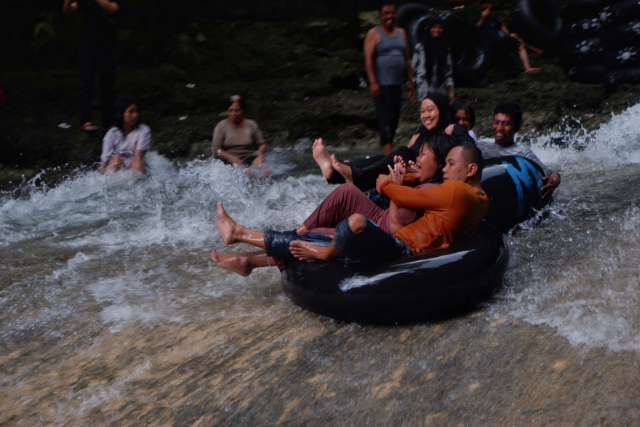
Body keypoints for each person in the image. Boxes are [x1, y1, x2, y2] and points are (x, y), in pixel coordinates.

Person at [211, 145, 488, 276]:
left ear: (471, 169)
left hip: (401, 248)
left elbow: (399, 194)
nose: (445, 170)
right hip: (400, 243)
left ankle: (241, 235)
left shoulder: (456, 191)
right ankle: (244, 246)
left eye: (450, 164)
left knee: (351, 224)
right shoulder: (479, 197)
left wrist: (388, 184)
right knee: (324, 226)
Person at [299, 133, 458, 237]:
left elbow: (395, 226)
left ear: (439, 163)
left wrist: (397, 187)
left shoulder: (434, 190)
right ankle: (295, 234)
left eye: (422, 154)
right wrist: (407, 176)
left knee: (314, 233)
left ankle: (288, 239)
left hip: (381, 230)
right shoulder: (427, 183)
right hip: (381, 216)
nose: (417, 158)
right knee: (347, 191)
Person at [312, 91, 474, 192]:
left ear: (442, 110)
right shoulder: (422, 132)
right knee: (377, 159)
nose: (426, 115)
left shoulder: (452, 128)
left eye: (430, 109)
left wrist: (451, 145)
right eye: (422, 111)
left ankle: (354, 174)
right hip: (408, 166)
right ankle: (333, 172)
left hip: (427, 173)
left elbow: (470, 149)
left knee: (399, 153)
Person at [477, 101, 560, 203]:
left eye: (506, 124)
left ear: (517, 128)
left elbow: (549, 173)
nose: (499, 128)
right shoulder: (480, 147)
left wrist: (555, 179)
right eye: (496, 122)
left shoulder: (522, 153)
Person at [364, 1, 416, 156]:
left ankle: (387, 154)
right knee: (385, 121)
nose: (389, 16)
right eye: (386, 13)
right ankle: (389, 157)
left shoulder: (402, 33)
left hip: (396, 85)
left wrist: (410, 81)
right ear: (380, 15)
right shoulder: (374, 33)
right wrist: (373, 82)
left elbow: (407, 59)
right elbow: (368, 59)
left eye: (392, 12)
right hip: (382, 85)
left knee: (394, 121)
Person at [62, 0, 120, 133]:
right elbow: (68, 9)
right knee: (86, 83)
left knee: (107, 85)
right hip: (87, 45)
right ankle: (86, 121)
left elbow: (112, 8)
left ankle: (108, 122)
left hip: (107, 45)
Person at [474, 0, 542, 73]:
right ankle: (534, 49)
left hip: (498, 38)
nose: (486, 5)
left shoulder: (493, 16)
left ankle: (527, 67)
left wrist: (509, 34)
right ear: (480, 6)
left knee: (520, 46)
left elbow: (500, 27)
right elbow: (475, 29)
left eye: (488, 3)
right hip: (489, 41)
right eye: (484, 4)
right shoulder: (477, 16)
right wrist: (483, 17)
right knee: (513, 36)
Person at [212, 95, 267, 170]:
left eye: (237, 110)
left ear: (242, 111)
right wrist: (231, 157)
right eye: (230, 110)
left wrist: (260, 151)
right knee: (239, 169)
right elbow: (216, 150)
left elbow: (262, 144)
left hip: (249, 156)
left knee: (261, 166)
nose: (233, 113)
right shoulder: (221, 126)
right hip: (230, 160)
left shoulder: (251, 124)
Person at [100, 99, 150, 174]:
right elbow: (104, 161)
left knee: (138, 159)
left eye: (136, 111)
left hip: (137, 168)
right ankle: (112, 184)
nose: (135, 114)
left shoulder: (143, 130)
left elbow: (139, 155)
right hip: (119, 169)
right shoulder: (112, 133)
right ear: (120, 114)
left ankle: (132, 182)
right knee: (116, 158)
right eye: (131, 112)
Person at [412, 18, 455, 102]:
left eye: (440, 27)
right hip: (424, 87)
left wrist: (451, 91)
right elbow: (413, 68)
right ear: (429, 28)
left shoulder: (446, 48)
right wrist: (412, 87)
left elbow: (448, 71)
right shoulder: (420, 47)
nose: (437, 30)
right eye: (434, 27)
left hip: (440, 87)